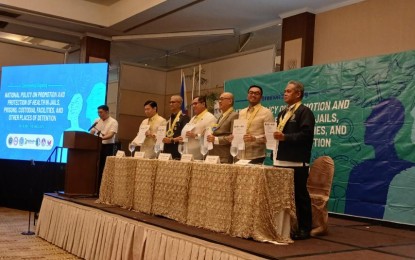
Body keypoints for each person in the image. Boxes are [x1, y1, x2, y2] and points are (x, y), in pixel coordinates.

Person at [272, 80, 315, 240]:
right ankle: (289, 226)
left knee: (300, 195)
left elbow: (306, 135)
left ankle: (305, 228)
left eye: (289, 91)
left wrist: (285, 137)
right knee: (284, 196)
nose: (285, 93)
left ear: (298, 94)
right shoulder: (282, 113)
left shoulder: (305, 112)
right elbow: (278, 135)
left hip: (297, 161)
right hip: (281, 160)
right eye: (285, 90)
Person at [238, 85, 274, 164]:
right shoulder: (241, 112)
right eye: (251, 93)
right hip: (240, 155)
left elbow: (271, 137)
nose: (253, 95)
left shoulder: (267, 113)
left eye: (257, 93)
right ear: (247, 95)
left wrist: (255, 138)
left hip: (256, 156)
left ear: (261, 97)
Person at [89, 105, 118, 187]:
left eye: (101, 112)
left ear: (107, 112)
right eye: (98, 112)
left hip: (107, 147)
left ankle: (102, 187)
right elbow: (92, 131)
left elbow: (111, 135)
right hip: (96, 146)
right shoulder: (97, 121)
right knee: (95, 167)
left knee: (103, 167)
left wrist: (100, 138)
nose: (99, 114)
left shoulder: (113, 122)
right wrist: (88, 138)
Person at [206, 92, 238, 163]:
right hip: (214, 154)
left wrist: (216, 139)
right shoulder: (221, 116)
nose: (219, 101)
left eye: (222, 99)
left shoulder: (234, 115)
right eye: (219, 99)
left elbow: (234, 137)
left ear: (230, 101)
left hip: (224, 156)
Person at [182, 96, 216, 160]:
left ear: (203, 104)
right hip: (188, 153)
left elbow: (209, 137)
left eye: (195, 103)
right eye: (192, 104)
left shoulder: (211, 118)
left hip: (200, 154)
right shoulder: (193, 118)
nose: (193, 106)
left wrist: (195, 135)